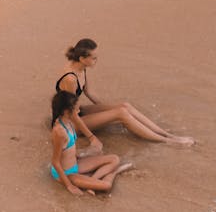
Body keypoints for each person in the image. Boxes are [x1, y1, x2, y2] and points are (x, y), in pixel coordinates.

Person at [55, 38, 194, 145]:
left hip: (79, 112)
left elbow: (89, 92)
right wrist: (92, 138)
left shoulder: (81, 67)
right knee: (121, 114)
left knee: (124, 106)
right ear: (82, 59)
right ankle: (168, 142)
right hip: (69, 124)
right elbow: (72, 113)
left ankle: (166, 134)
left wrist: (107, 112)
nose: (96, 60)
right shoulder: (70, 79)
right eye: (94, 58)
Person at [49, 90, 133, 195]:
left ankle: (92, 182)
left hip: (75, 164)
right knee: (106, 186)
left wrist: (92, 139)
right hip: (67, 174)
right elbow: (55, 161)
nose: (79, 110)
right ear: (66, 111)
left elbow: (78, 123)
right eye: (76, 108)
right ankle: (115, 172)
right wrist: (69, 185)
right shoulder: (59, 132)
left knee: (114, 159)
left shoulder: (69, 120)